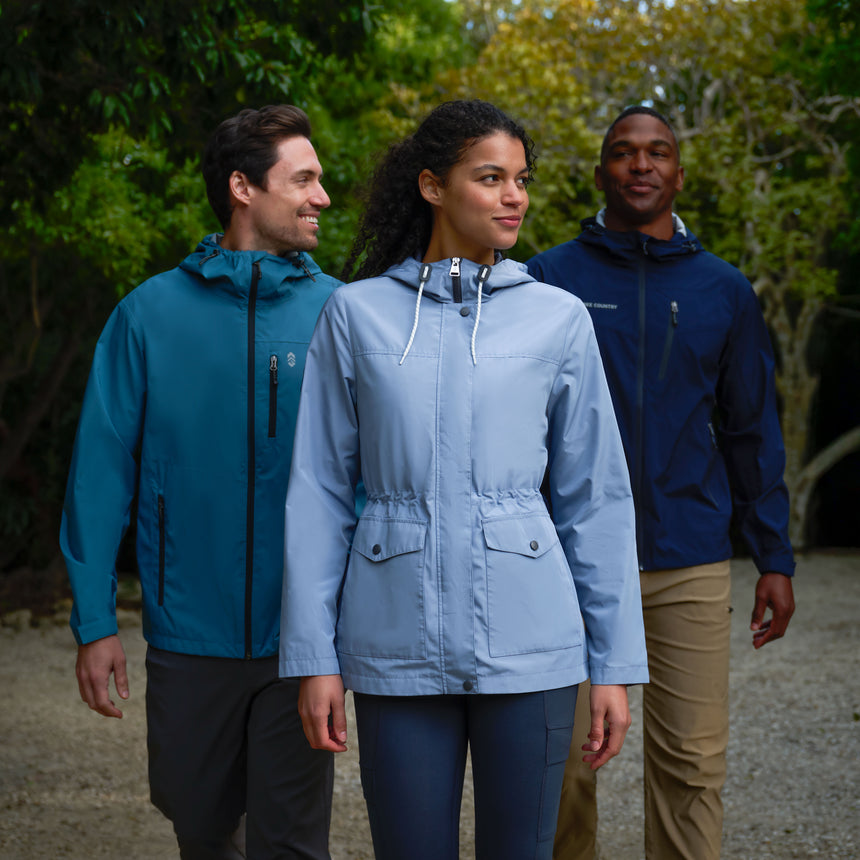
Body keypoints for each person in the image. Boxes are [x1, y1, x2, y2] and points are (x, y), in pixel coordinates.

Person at [278, 99, 649, 860]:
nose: (514, 195)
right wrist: (314, 654)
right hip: (394, 643)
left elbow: (595, 499)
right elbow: (318, 492)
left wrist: (612, 667)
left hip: (533, 646)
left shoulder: (559, 318)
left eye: (521, 179)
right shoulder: (357, 315)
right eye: (491, 177)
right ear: (432, 186)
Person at [60, 105, 340, 859]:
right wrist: (94, 622)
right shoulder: (146, 315)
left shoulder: (341, 314)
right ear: (243, 187)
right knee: (202, 830)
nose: (322, 198)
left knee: (292, 840)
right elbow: (99, 475)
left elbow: (374, 477)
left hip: (303, 637)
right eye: (304, 179)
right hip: (189, 631)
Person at [527, 105, 796, 860]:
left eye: (657, 153)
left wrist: (773, 556)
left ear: (679, 172)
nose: (640, 164)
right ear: (600, 171)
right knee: (563, 772)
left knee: (691, 765)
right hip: (565, 564)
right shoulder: (547, 280)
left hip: (689, 560)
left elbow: (750, 431)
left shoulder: (723, 290)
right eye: (622, 152)